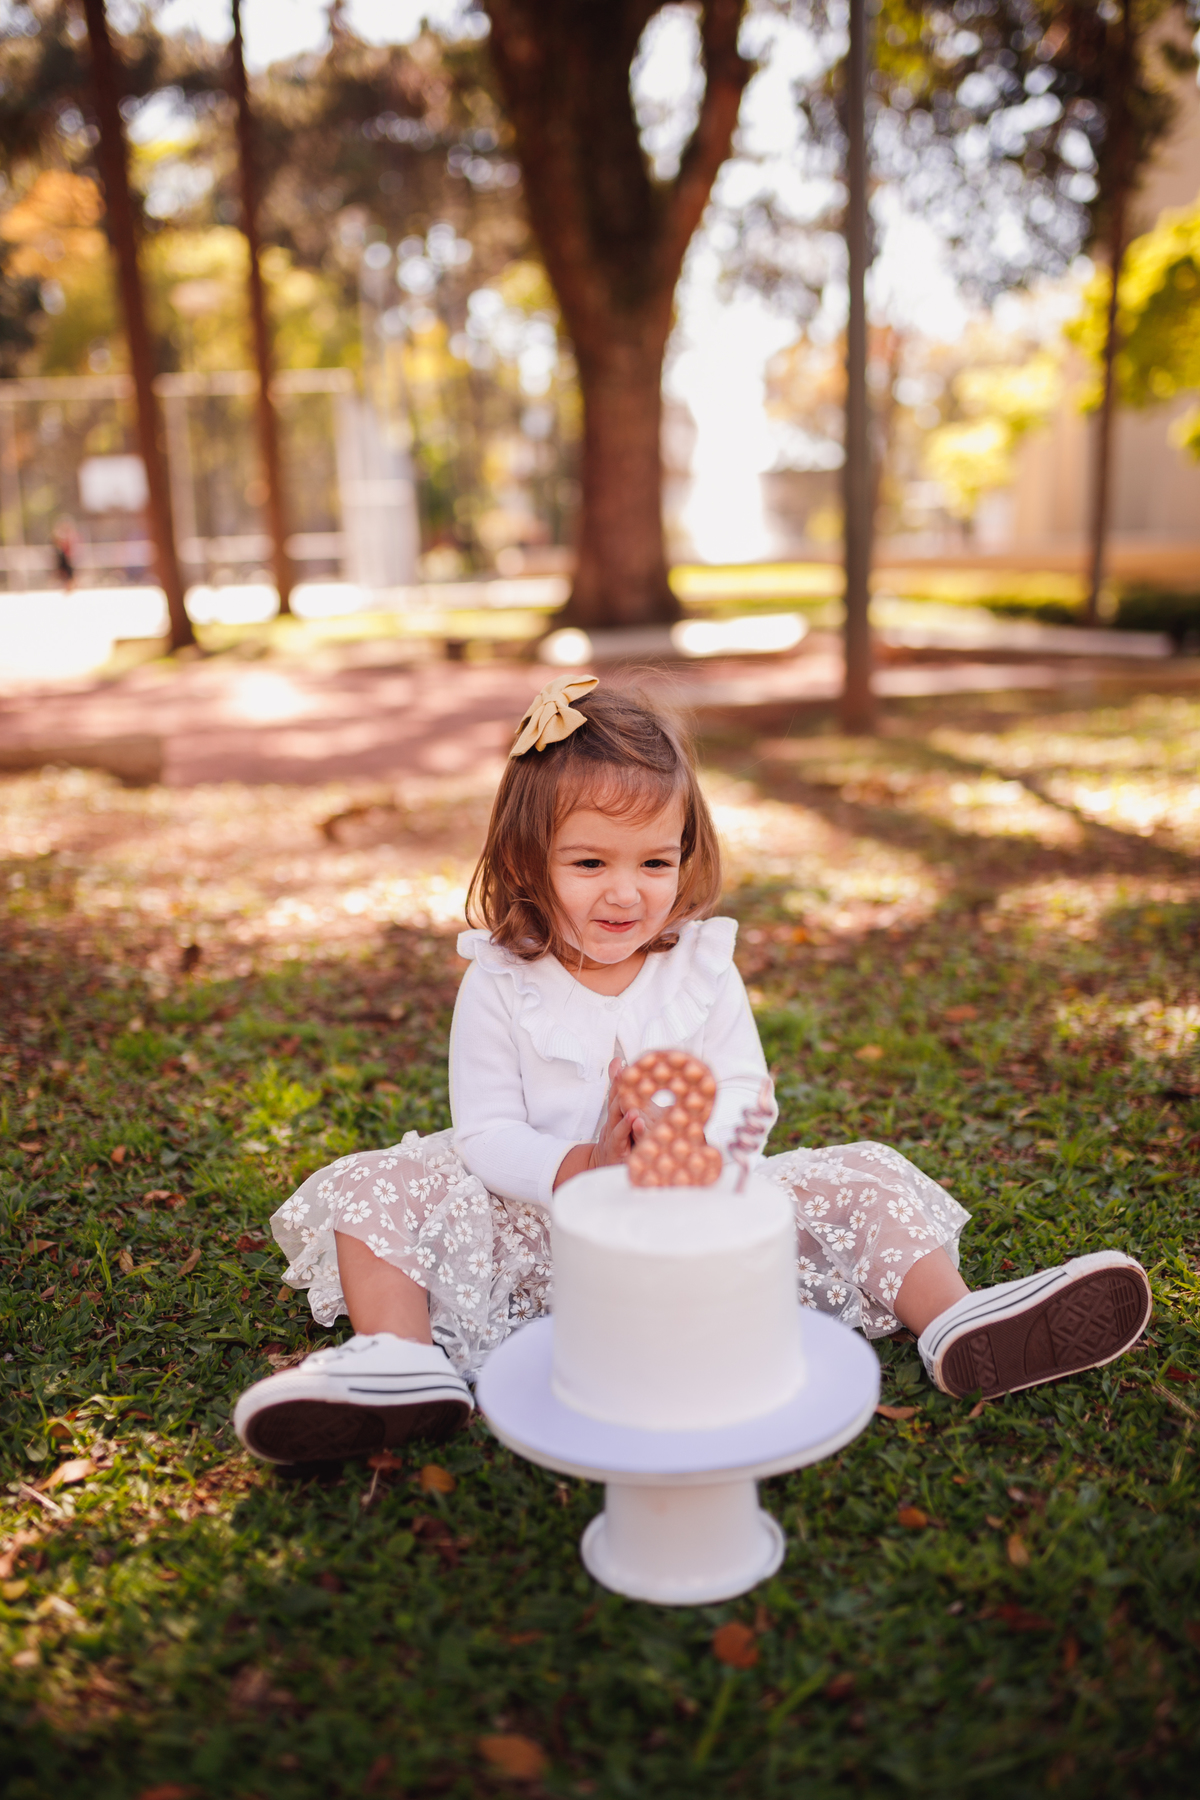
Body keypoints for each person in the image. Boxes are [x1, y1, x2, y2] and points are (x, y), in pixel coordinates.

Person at [234, 677, 1151, 1463]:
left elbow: (751, 1090)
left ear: (686, 854)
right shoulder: (503, 983)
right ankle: (400, 1363)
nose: (626, 891)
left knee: (865, 1170)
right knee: (380, 1181)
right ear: (528, 859)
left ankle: (956, 1319)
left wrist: (699, 1146)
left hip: (701, 1224)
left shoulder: (702, 968)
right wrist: (582, 1169)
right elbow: (484, 1132)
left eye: (653, 861)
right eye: (589, 861)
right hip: (543, 1239)